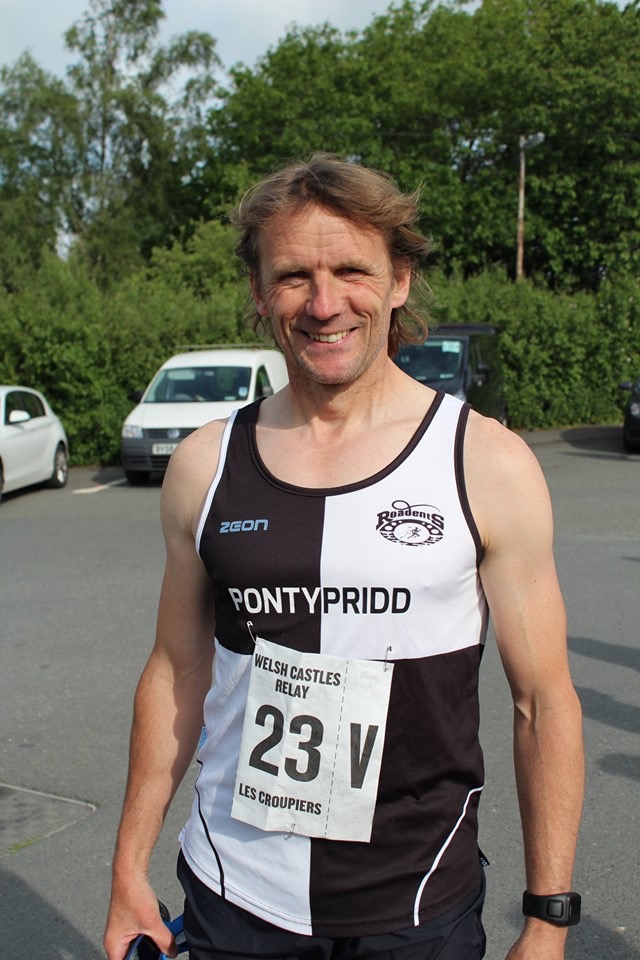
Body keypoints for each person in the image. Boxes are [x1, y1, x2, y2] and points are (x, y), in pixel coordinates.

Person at [104, 153, 584, 960]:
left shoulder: (485, 462)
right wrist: (126, 870)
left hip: (419, 902)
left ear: (399, 280)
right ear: (260, 292)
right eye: (294, 276)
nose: (324, 304)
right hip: (235, 893)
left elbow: (543, 701)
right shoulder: (205, 465)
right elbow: (175, 672)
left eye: (351, 271)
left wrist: (548, 919)